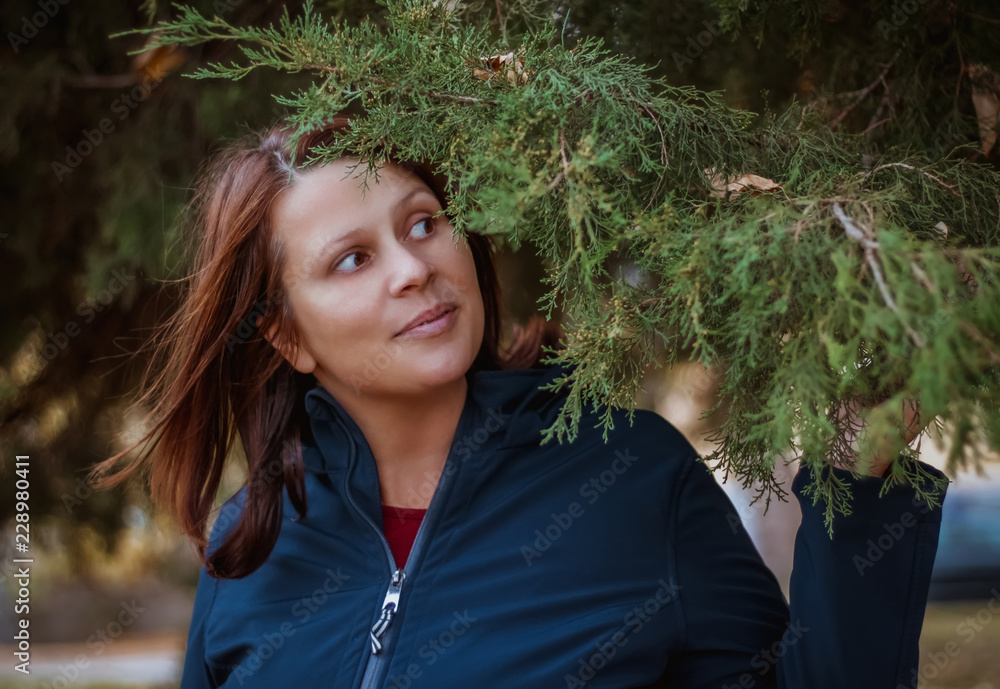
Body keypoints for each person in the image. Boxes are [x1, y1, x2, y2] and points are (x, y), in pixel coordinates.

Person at [93, 116, 949, 689]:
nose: (414, 267)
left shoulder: (632, 475)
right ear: (288, 337)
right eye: (352, 258)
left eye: (423, 221)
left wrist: (857, 477)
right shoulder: (251, 545)